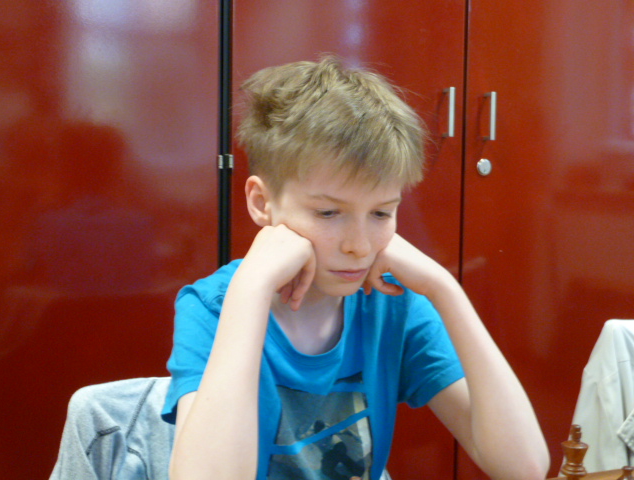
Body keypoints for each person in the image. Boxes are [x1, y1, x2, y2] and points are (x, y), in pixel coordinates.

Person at [162, 56, 550, 480]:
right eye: (328, 213)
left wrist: (444, 288)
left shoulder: (392, 303)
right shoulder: (213, 308)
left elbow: (524, 467)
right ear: (261, 203)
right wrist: (252, 287)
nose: (359, 246)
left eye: (381, 213)